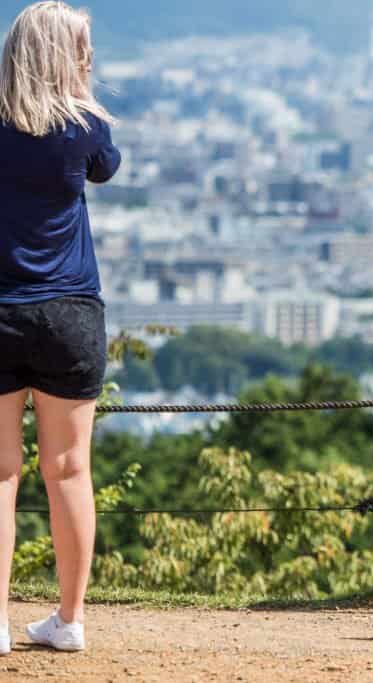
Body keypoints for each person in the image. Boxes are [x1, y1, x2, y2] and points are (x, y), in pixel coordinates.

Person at [0, 1, 120, 654]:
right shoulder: (83, 126)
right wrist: (81, 86)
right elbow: (108, 166)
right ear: (65, 56)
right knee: (70, 469)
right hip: (71, 310)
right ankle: (68, 620)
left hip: (0, 307)